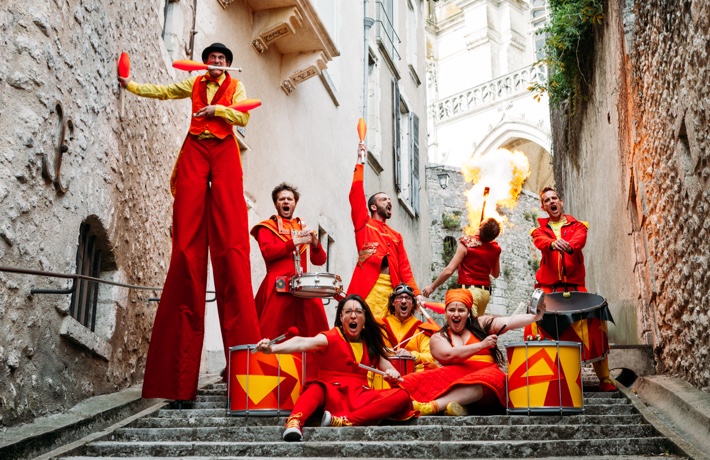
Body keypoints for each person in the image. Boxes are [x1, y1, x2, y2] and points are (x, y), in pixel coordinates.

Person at [119, 43, 261, 401]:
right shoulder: (194, 84)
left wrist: (221, 109)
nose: (216, 64)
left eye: (222, 60)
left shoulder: (235, 87)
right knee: (185, 249)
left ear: (228, 65)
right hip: (196, 148)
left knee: (230, 248)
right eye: (212, 59)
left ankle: (246, 381)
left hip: (225, 150)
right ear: (205, 63)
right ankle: (177, 383)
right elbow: (166, 91)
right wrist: (131, 85)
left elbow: (243, 117)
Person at [255, 295, 415, 442]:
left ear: (364, 318)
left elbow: (390, 371)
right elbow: (302, 342)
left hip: (360, 396)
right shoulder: (331, 337)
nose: (353, 316)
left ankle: (346, 422)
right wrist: (272, 349)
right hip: (332, 392)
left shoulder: (371, 344)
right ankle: (294, 421)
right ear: (341, 317)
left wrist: (392, 374)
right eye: (348, 312)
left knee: (402, 395)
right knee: (316, 387)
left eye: (358, 311)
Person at [399, 289, 544, 416]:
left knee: (485, 379)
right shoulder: (439, 337)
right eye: (451, 310)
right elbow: (449, 355)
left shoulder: (481, 324)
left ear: (468, 313)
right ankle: (458, 406)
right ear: (446, 313)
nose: (456, 314)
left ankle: (433, 407)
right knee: (409, 381)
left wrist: (534, 317)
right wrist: (481, 345)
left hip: (488, 382)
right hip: (455, 377)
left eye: (461, 310)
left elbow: (507, 322)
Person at [527, 186, 616, 392]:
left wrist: (569, 245)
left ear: (561, 201)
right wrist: (552, 243)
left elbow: (579, 240)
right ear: (543, 206)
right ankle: (541, 378)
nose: (552, 202)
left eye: (554, 198)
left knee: (592, 325)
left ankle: (605, 378)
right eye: (547, 200)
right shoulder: (539, 230)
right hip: (548, 289)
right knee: (535, 326)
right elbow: (540, 241)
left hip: (575, 287)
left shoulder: (578, 225)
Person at [347, 142, 421, 319]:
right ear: (373, 206)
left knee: (387, 337)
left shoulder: (396, 236)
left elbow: (405, 268)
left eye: (390, 199)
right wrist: (360, 163)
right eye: (383, 199)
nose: (389, 202)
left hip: (391, 291)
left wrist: (415, 293)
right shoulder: (363, 225)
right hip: (368, 288)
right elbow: (356, 195)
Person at [251, 183, 329, 339]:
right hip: (278, 287)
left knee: (314, 334)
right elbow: (268, 252)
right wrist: (294, 242)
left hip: (304, 289)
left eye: (289, 199)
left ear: (295, 203)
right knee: (272, 334)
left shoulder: (303, 227)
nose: (286, 202)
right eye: (281, 199)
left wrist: (315, 243)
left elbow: (319, 260)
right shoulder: (266, 227)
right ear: (275, 203)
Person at [422, 217, 502, 317]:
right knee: (476, 326)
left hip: (468, 292)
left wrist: (432, 287)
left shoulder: (467, 243)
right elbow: (495, 274)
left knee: (463, 327)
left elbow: (449, 270)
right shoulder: (496, 249)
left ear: (480, 228)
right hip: (485, 294)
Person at [379, 283, 438, 374]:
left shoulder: (422, 328)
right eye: (399, 297)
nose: (403, 301)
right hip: (384, 376)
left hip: (411, 377)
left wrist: (412, 355)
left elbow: (430, 356)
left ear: (413, 304)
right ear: (393, 302)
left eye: (408, 298)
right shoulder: (380, 326)